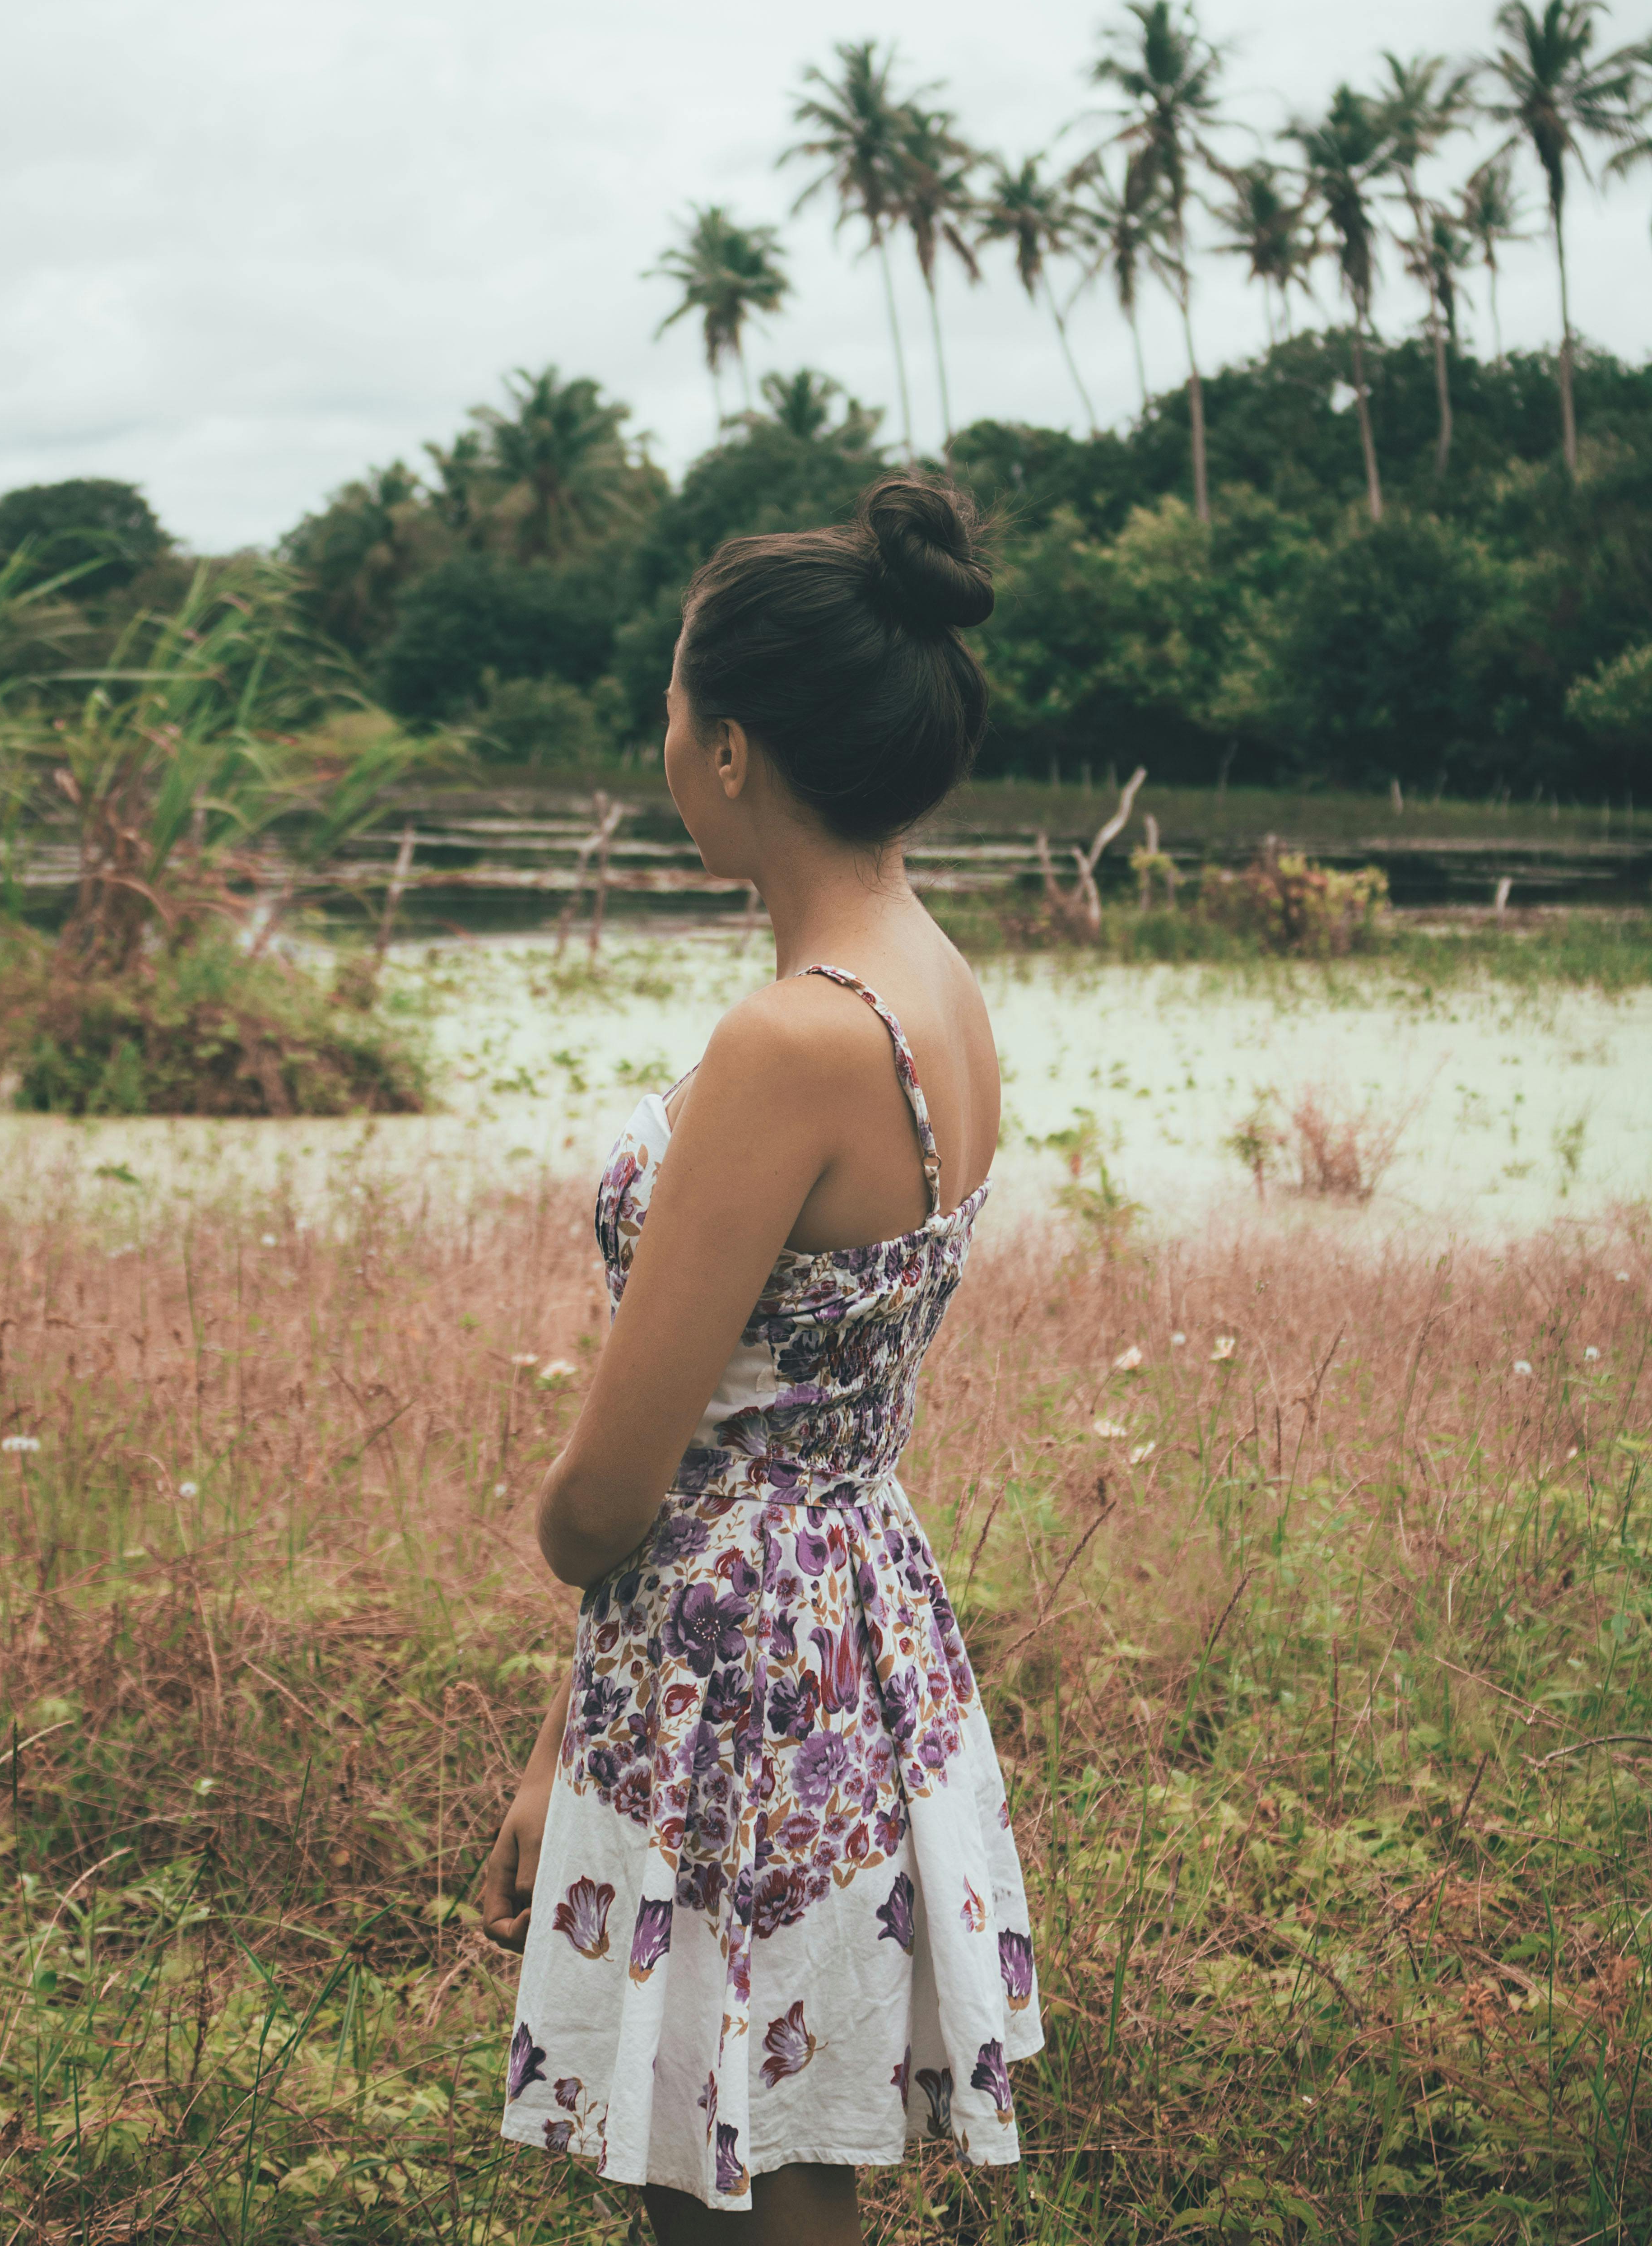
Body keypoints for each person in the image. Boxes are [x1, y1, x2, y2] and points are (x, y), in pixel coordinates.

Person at [482, 474, 1040, 2242]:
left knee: (718, 2185)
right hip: (850, 1607)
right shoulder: (932, 980)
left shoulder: (787, 1040)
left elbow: (616, 1493)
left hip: (728, 1657)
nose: (660, 740)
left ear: (727, 750)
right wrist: (559, 1730)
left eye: (667, 705)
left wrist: (563, 1526)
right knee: (787, 2134)